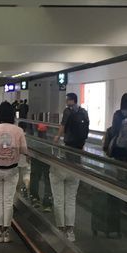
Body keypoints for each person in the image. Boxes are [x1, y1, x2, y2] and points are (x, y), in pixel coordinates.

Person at [0, 101, 28, 243]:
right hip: (12, 170)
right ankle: (6, 233)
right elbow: (24, 150)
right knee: (8, 201)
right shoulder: (18, 130)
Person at [101, 92, 127, 237]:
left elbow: (114, 131)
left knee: (116, 187)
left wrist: (108, 146)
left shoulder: (118, 114)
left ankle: (114, 228)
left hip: (118, 152)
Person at [50, 91, 90, 241]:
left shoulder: (67, 111)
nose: (66, 102)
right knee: (71, 198)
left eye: (67, 100)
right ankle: (70, 230)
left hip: (67, 150)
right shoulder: (84, 112)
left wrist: (56, 138)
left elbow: (62, 127)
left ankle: (60, 229)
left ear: (71, 100)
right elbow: (85, 132)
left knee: (59, 198)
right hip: (78, 152)